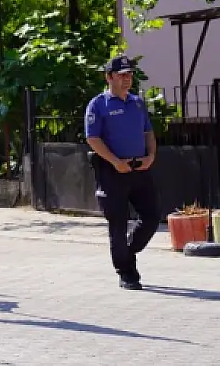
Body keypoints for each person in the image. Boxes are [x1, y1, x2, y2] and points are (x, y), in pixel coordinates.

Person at [85, 55, 158, 290]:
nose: (127, 79)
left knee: (152, 217)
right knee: (117, 224)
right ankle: (126, 272)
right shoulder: (98, 104)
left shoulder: (137, 103)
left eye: (130, 75)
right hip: (112, 171)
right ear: (109, 77)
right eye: (122, 75)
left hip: (139, 169)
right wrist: (115, 162)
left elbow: (148, 132)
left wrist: (151, 156)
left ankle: (128, 250)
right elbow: (93, 139)